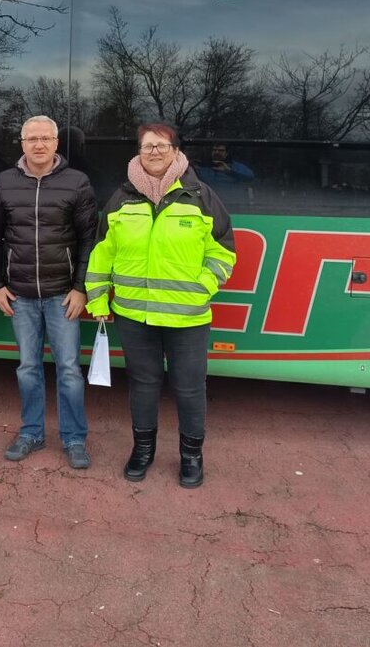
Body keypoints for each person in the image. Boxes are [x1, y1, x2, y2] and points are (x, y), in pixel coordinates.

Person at [85, 122, 236, 488]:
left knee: (189, 388)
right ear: (138, 152)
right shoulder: (121, 198)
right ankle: (142, 451)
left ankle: (191, 456)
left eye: (161, 145)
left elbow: (223, 251)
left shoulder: (200, 195)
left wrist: (203, 286)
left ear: (175, 151)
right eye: (147, 146)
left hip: (188, 316)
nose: (154, 151)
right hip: (135, 316)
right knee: (143, 384)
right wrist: (97, 296)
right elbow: (103, 252)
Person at [0, 115, 97, 469]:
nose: (39, 145)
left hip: (63, 295)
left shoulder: (77, 183)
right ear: (21, 143)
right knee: (28, 368)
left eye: (46, 138)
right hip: (20, 294)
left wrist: (81, 289)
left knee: (68, 369)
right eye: (31, 139)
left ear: (56, 143)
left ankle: (74, 438)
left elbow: (90, 240)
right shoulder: (3, 183)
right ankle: (31, 432)